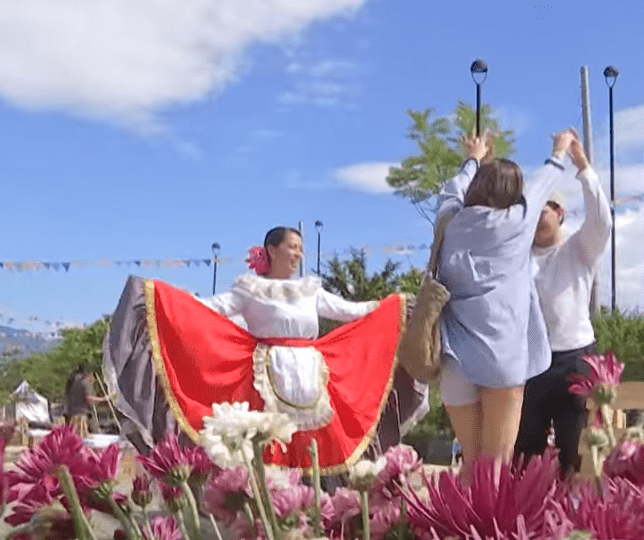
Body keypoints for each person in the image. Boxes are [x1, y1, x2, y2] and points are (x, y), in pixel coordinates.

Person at [104, 226, 425, 476]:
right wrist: (168, 299)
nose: (298, 254)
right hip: (262, 376)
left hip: (312, 373)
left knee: (316, 439)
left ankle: (313, 503)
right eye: (292, 247)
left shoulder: (310, 288)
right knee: (265, 440)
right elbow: (214, 308)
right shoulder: (250, 288)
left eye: (300, 248)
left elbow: (351, 311)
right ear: (271, 249)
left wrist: (393, 306)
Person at [436, 127, 577, 482]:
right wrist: (559, 150)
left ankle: (452, 533)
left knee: (470, 463)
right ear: (514, 195)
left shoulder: (450, 220)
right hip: (502, 358)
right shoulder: (518, 220)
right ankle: (486, 537)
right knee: (495, 469)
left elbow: (451, 189)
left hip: (453, 357)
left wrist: (473, 158)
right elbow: (545, 181)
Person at [516, 132, 612, 474]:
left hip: (575, 357)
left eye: (542, 210)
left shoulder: (579, 248)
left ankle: (573, 513)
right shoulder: (517, 256)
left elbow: (601, 220)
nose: (535, 218)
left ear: (559, 213)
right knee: (525, 449)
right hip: (530, 363)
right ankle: (530, 515)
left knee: (575, 447)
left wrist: (583, 167)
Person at [65, 363, 106, 437]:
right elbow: (89, 398)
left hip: (72, 414)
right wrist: (103, 399)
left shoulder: (72, 381)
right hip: (82, 415)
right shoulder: (85, 382)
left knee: (74, 436)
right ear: (89, 373)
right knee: (86, 434)